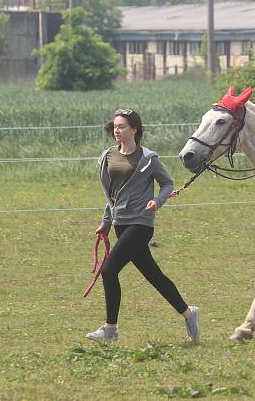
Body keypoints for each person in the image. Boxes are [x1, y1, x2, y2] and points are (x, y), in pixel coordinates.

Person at [86, 108, 200, 343]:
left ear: (134, 130)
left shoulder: (148, 158)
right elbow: (111, 195)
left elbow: (167, 183)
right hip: (120, 222)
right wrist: (105, 223)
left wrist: (157, 201)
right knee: (153, 275)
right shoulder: (108, 156)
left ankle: (110, 329)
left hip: (141, 223)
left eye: (122, 127)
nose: (117, 130)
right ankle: (188, 313)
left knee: (108, 270)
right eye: (115, 126)